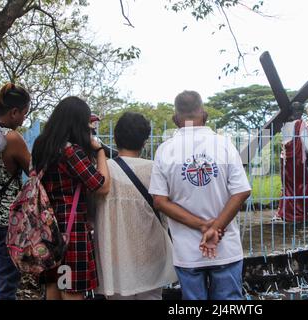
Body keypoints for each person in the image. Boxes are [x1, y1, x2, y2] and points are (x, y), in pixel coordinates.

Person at [149, 91, 251, 300]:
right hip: (225, 247)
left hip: (187, 252)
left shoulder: (165, 150)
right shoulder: (224, 145)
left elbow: (160, 201)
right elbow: (241, 191)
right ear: (204, 115)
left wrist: (203, 226)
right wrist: (215, 227)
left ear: (175, 119)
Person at [31, 96, 110, 300]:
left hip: (47, 228)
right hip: (70, 230)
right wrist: (100, 150)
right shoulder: (69, 151)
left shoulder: (42, 145)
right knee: (71, 290)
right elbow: (101, 186)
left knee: (53, 286)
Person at [95, 112, 177, 300]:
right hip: (151, 257)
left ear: (115, 138)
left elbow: (92, 213)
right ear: (145, 141)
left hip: (115, 258)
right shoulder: (156, 169)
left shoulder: (103, 171)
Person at [0, 83, 31, 300]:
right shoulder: (11, 138)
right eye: (24, 114)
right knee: (5, 284)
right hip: (4, 223)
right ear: (14, 112)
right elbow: (35, 170)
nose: (24, 119)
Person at [273, 106, 308, 223]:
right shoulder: (300, 124)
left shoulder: (285, 125)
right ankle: (298, 215)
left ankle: (284, 213)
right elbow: (307, 146)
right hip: (297, 161)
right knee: (300, 186)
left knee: (287, 187)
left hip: (285, 159)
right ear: (299, 112)